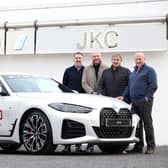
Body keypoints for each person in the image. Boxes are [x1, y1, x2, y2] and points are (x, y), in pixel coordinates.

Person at [118, 52, 158, 154]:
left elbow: (153, 85)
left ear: (145, 59)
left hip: (144, 101)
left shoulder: (149, 70)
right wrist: (123, 96)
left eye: (140, 58)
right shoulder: (133, 73)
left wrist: (147, 97)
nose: (138, 60)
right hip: (134, 102)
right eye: (136, 58)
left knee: (147, 124)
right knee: (137, 125)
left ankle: (151, 147)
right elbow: (129, 87)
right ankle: (138, 147)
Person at [82, 51, 108, 152]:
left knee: (102, 120)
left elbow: (107, 82)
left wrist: (101, 93)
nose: (96, 57)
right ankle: (90, 145)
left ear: (101, 57)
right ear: (92, 57)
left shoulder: (106, 68)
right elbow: (83, 83)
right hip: (90, 97)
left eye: (98, 56)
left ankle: (105, 144)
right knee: (91, 119)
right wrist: (91, 92)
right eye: (94, 56)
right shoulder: (87, 68)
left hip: (103, 97)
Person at [62, 52, 85, 152]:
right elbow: (64, 85)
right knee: (69, 122)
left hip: (82, 99)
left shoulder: (86, 70)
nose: (78, 59)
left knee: (80, 122)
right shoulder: (68, 70)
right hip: (70, 99)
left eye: (80, 58)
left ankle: (78, 146)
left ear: (82, 59)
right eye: (77, 58)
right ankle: (67, 146)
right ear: (74, 59)